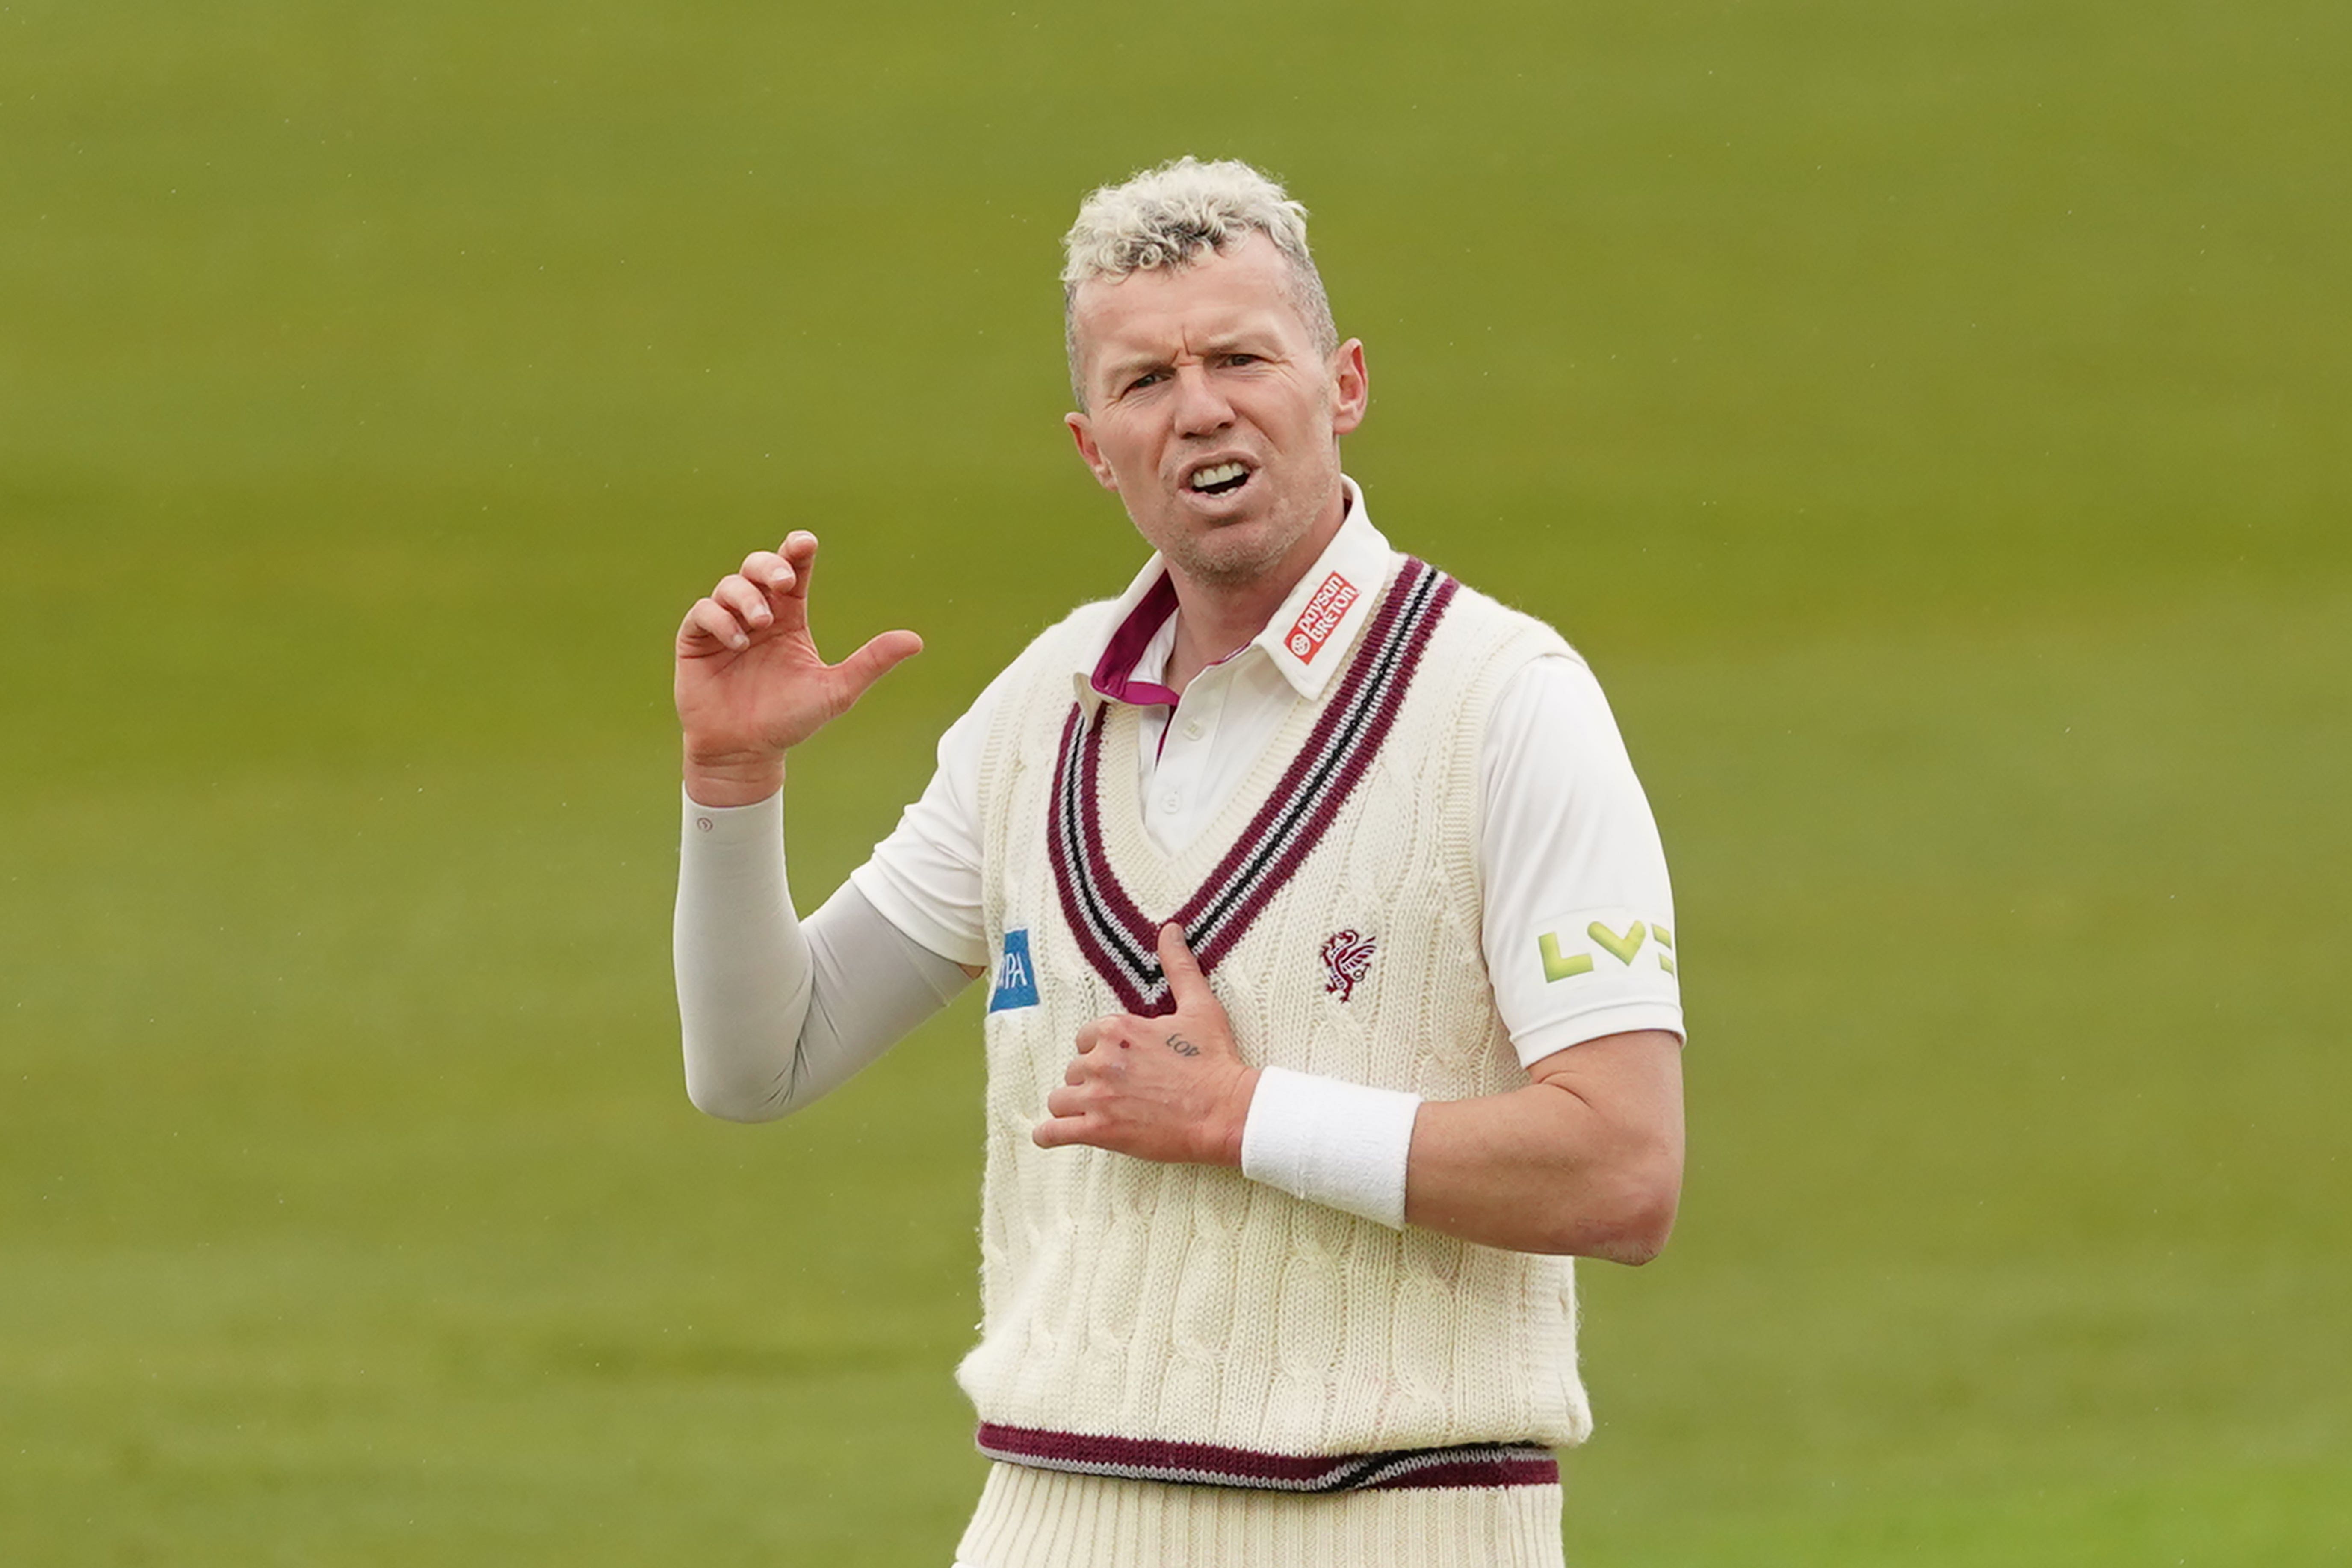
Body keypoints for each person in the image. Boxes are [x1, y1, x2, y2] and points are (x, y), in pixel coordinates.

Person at [671, 157, 1686, 1568]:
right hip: (1047, 1523)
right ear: (1094, 446)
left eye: (1240, 357)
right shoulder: (1041, 708)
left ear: (1342, 386)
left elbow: (1621, 1169)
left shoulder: (1506, 699)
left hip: (1397, 1524)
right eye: (1145, 380)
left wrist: (1238, 1116)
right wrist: (733, 782)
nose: (1199, 406)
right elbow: (758, 1062)